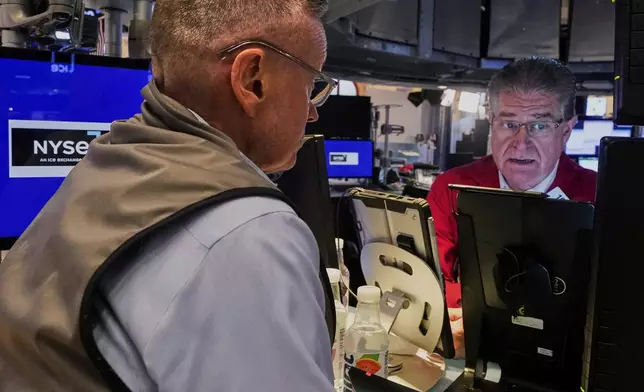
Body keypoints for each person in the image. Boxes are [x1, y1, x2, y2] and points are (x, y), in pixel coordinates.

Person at [0, 1, 339, 391]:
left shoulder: (110, 161)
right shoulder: (248, 233)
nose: (312, 113)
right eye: (311, 85)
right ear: (253, 80)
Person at [428, 58, 597, 352]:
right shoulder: (450, 188)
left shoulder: (603, 195)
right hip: (478, 351)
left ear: (567, 131)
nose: (521, 143)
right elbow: (438, 278)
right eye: (509, 124)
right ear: (491, 122)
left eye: (540, 125)